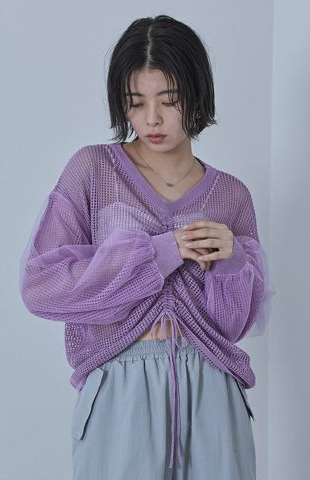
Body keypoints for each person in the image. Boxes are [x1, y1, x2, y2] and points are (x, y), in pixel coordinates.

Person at [19, 15, 275, 480]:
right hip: (120, 388)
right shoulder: (93, 170)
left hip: (214, 392)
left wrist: (232, 262)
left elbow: (232, 327)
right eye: (135, 103)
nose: (151, 119)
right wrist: (161, 251)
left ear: (197, 94)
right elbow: (42, 285)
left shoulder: (231, 195)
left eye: (170, 101)